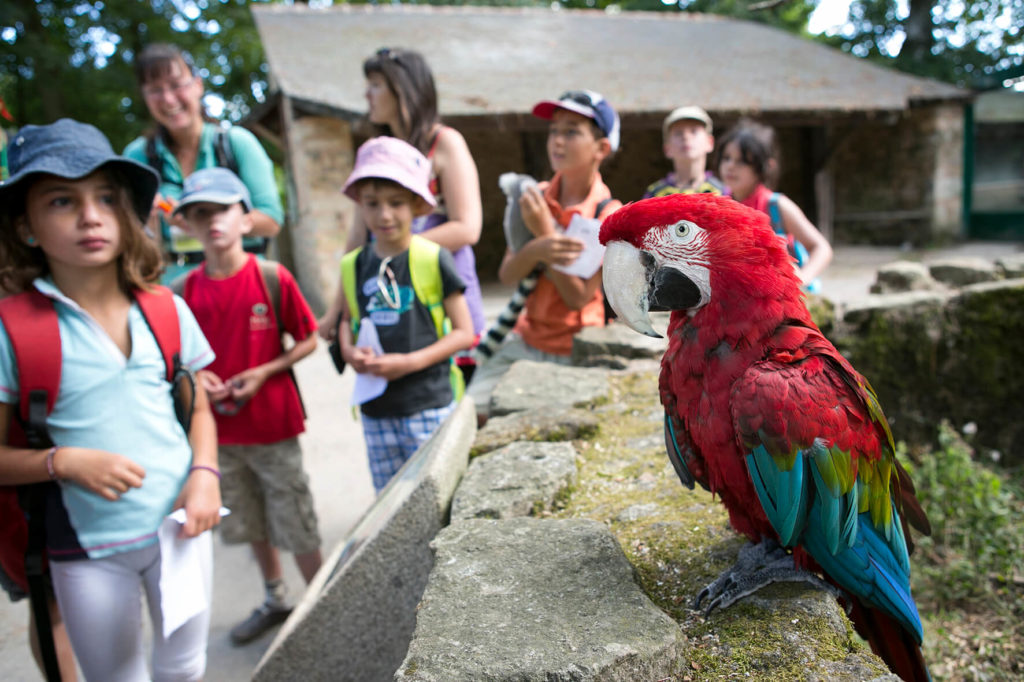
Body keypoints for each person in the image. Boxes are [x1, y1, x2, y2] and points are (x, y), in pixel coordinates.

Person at [0, 118, 220, 680]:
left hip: (181, 529)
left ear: (126, 216)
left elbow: (196, 407)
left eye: (104, 197)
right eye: (61, 200)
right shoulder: (11, 330)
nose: (90, 215)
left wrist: (205, 473)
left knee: (185, 668)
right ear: (27, 226)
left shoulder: (167, 310)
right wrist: (62, 461)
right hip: (86, 550)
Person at [171, 167, 323, 646]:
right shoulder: (183, 292)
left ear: (246, 219)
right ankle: (276, 596)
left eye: (221, 210)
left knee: (294, 516)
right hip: (218, 436)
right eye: (199, 214)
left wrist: (264, 371)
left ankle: (324, 605)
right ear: (188, 227)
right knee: (249, 521)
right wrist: (197, 377)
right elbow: (177, 360)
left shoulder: (271, 277)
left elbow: (309, 339)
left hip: (274, 427)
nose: (212, 221)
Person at [321, 47, 484, 381]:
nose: (367, 94)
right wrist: (338, 308)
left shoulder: (445, 143)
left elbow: (468, 228)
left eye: (376, 84)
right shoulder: (375, 154)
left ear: (404, 88)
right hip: (388, 296)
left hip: (441, 289)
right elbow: (356, 241)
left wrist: (398, 247)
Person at [466, 90, 622, 424]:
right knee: (468, 414)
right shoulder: (534, 195)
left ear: (601, 148)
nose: (557, 141)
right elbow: (508, 274)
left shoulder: (607, 214)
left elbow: (577, 297)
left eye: (571, 131)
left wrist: (545, 236)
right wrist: (537, 248)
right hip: (525, 339)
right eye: (553, 130)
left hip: (576, 349)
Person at [337, 137, 474, 493]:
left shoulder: (433, 257)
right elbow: (346, 321)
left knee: (434, 496)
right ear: (360, 207)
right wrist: (350, 351)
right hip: (375, 411)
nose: (384, 215)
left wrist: (409, 362)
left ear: (416, 205)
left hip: (428, 404)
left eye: (396, 203)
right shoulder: (354, 265)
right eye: (372, 204)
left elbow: (464, 332)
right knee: (390, 500)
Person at [123, 43, 283, 283]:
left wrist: (200, 221)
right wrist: (148, 221)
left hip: (242, 283)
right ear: (144, 97)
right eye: (155, 90)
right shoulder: (138, 156)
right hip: (174, 287)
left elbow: (271, 221)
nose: (168, 99)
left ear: (198, 85)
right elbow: (128, 236)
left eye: (177, 85)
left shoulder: (236, 143)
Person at [717, 118, 833, 291]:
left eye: (742, 161)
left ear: (765, 166)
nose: (730, 166)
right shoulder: (719, 207)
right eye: (726, 158)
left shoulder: (777, 206)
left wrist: (802, 278)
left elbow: (822, 248)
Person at [643, 105, 725, 198]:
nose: (686, 137)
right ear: (667, 148)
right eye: (678, 133)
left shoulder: (722, 191)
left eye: (694, 131)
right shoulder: (655, 194)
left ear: (710, 142)